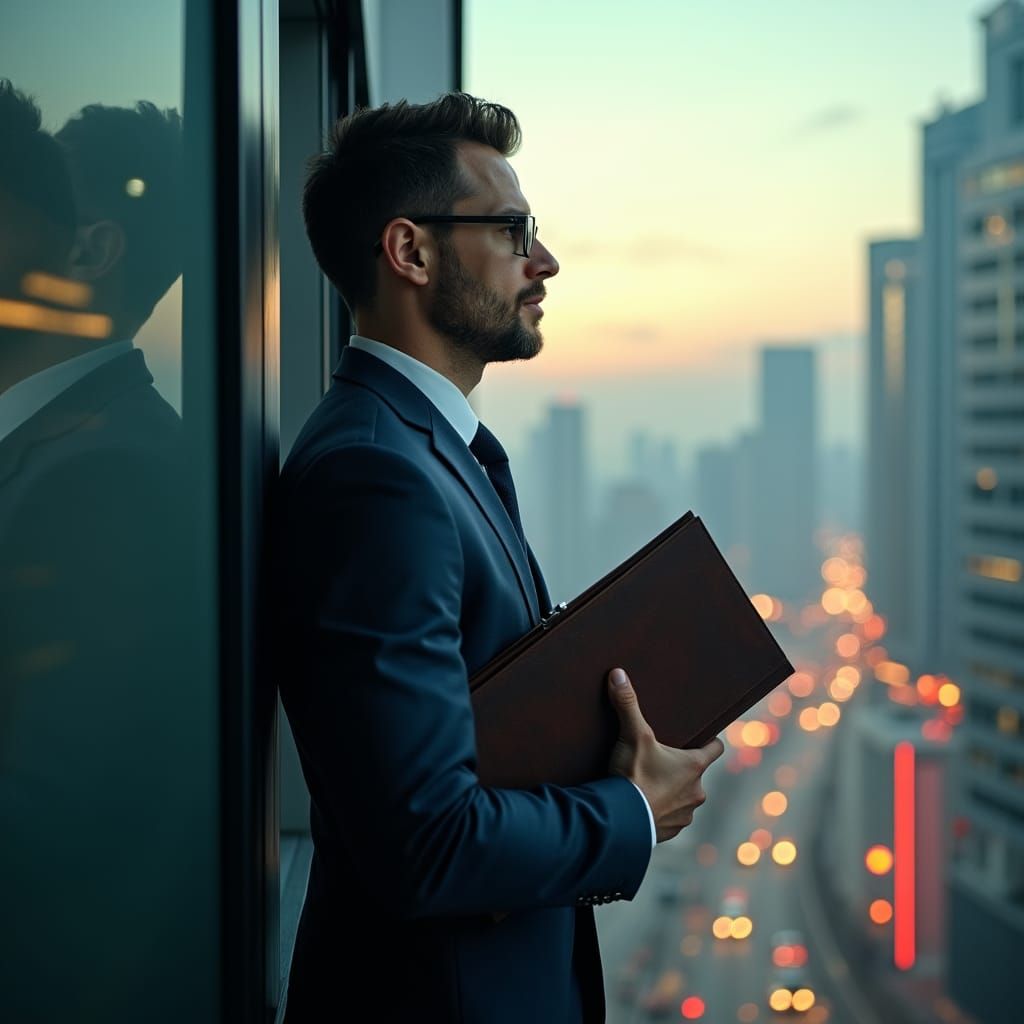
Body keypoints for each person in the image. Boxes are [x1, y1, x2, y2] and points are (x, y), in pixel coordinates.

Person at [275, 91, 725, 1024]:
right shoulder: (376, 474)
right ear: (411, 252)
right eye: (515, 230)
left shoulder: (426, 452)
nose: (544, 260)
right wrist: (631, 813)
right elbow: (426, 840)